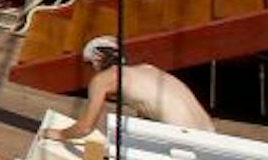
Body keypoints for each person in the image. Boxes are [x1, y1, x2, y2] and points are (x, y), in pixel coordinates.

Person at [44, 35, 217, 141]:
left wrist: (59, 134)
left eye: (90, 65)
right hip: (210, 132)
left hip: (183, 135)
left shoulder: (103, 79)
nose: (92, 70)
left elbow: (85, 128)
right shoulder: (147, 69)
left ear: (97, 58)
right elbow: (146, 113)